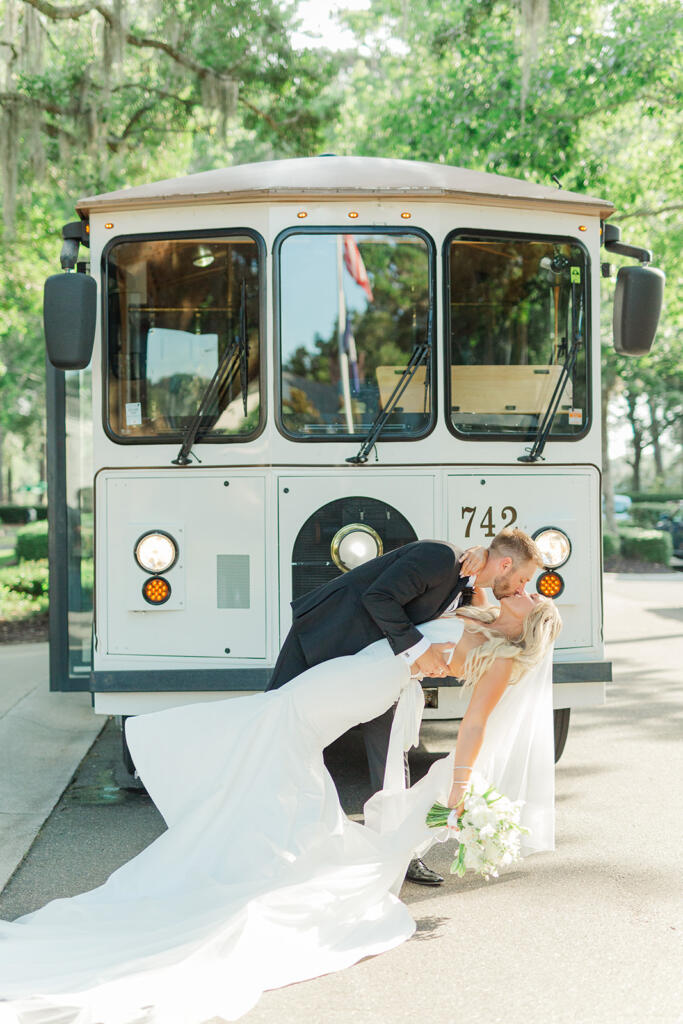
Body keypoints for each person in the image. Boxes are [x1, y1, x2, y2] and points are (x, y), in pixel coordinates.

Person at [0, 591, 561, 1024]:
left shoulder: (506, 657)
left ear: (531, 622)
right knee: (283, 743)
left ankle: (247, 857)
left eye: (531, 596)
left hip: (369, 683)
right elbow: (477, 570)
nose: (522, 590)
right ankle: (256, 858)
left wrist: (460, 785)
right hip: (356, 678)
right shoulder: (481, 613)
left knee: (284, 746)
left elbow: (477, 723)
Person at [267, 528, 545, 885]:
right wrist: (419, 649)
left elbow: (468, 614)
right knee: (277, 727)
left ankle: (400, 854)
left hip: (382, 675)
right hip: (328, 639)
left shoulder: (473, 597)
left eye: (527, 587)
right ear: (505, 564)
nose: (522, 587)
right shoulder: (441, 559)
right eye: (523, 578)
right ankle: (269, 828)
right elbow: (379, 596)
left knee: (389, 767)